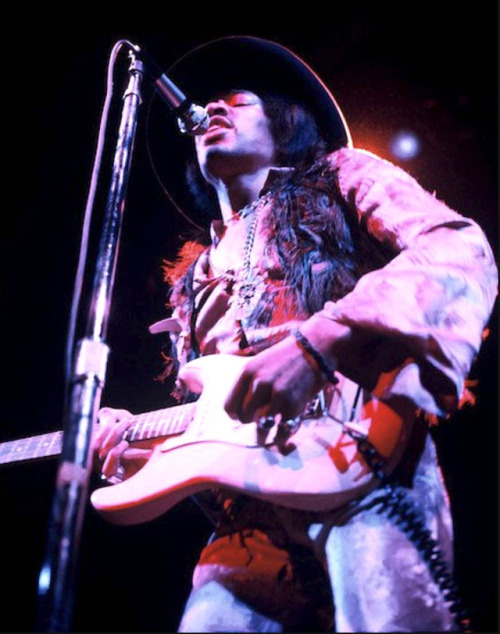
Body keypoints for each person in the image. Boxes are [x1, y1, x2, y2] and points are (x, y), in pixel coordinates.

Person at [92, 37, 497, 632]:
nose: (214, 108)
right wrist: (135, 444)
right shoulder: (194, 279)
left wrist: (318, 343)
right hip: (247, 526)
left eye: (237, 96)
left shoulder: (342, 176)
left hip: (360, 461)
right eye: (208, 101)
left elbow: (457, 249)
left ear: (286, 117)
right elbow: (219, 424)